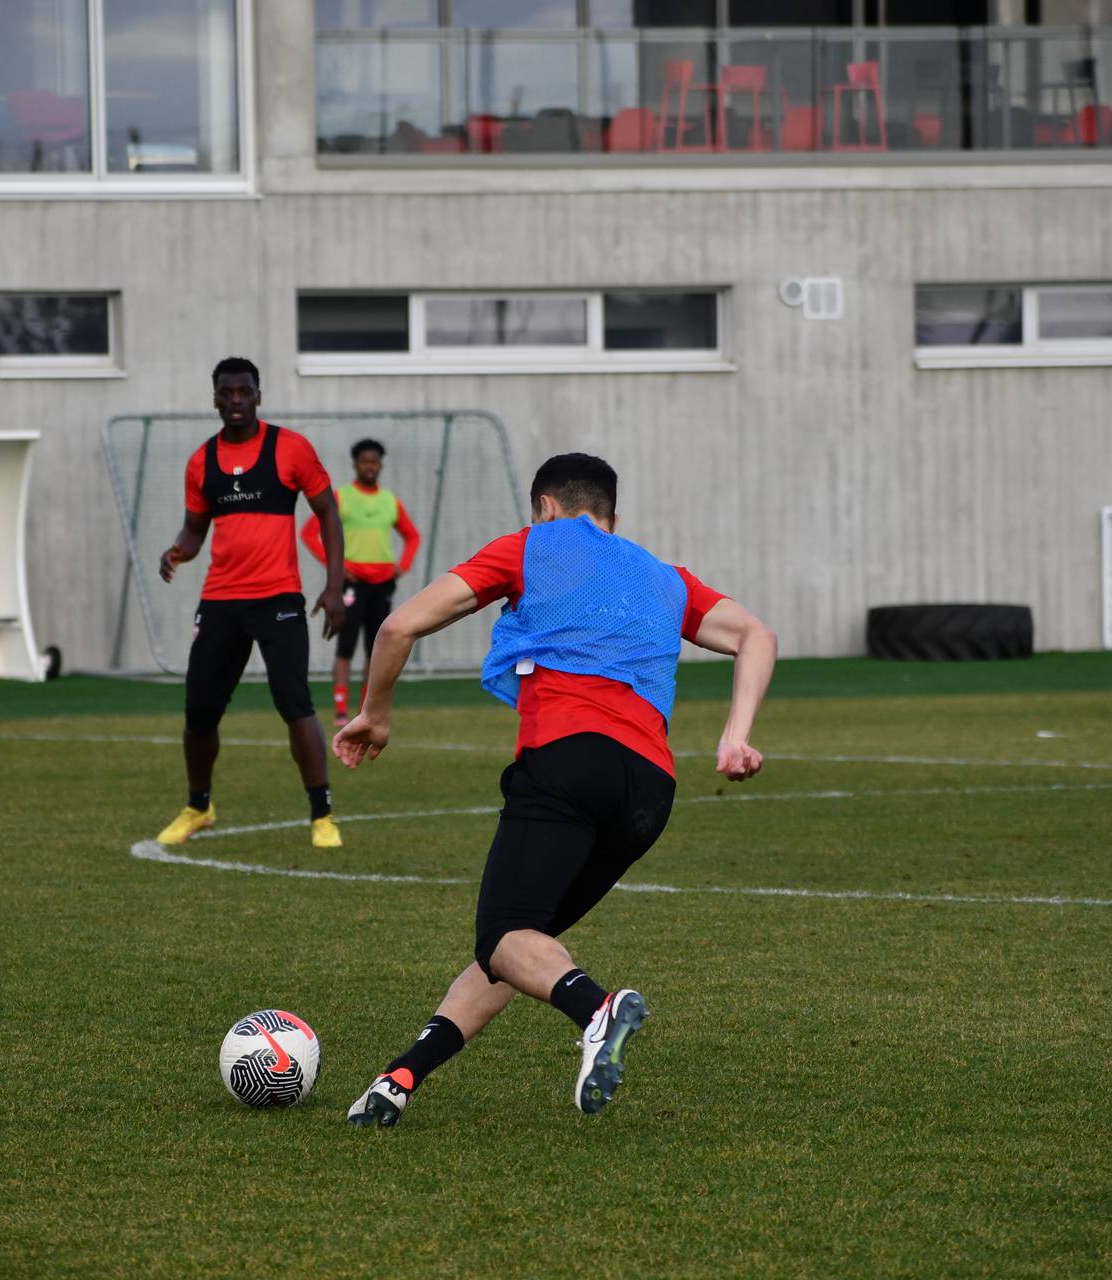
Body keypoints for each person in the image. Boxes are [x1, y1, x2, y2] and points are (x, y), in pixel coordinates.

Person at [332, 453, 777, 1126]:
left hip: (570, 759)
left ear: (544, 507)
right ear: (612, 517)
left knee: (502, 936)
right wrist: (735, 736)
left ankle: (596, 1009)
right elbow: (756, 635)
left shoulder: (530, 546)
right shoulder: (663, 576)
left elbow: (399, 626)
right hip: (649, 790)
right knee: (521, 945)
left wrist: (376, 714)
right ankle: (399, 1080)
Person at [155, 356, 348, 849]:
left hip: (277, 598)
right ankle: (198, 806)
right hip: (220, 601)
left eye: (244, 391)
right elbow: (195, 528)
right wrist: (178, 550)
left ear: (258, 396)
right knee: (199, 712)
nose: (236, 400)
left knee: (294, 703)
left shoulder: (290, 448)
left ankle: (322, 815)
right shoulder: (201, 461)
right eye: (227, 393)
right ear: (215, 398)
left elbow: (327, 512)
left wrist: (333, 586)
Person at [301, 438, 422, 726]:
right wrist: (338, 567)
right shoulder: (342, 497)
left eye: (374, 462)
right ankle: (340, 709)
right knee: (346, 645)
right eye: (365, 462)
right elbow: (308, 533)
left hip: (382, 583)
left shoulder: (389, 500)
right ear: (355, 464)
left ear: (380, 465)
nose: (370, 467)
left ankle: (365, 710)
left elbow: (412, 536)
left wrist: (402, 566)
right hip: (353, 583)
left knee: (376, 648)